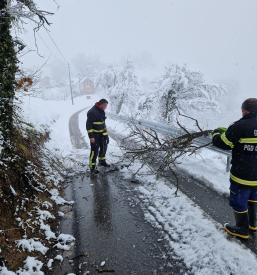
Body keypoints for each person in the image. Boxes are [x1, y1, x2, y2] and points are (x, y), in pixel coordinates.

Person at [212, 98, 257, 239]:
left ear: (244, 110)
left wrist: (216, 133)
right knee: (253, 198)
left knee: (238, 201)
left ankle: (242, 229)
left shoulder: (240, 126)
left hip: (242, 174)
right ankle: (253, 225)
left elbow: (222, 142)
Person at [86, 99, 110, 174]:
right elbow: (88, 126)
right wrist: (91, 137)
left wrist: (106, 136)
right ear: (101, 104)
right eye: (105, 106)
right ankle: (92, 167)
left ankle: (102, 161)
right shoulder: (92, 112)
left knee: (104, 148)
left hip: (102, 135)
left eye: (106, 106)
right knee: (94, 151)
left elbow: (103, 124)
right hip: (95, 136)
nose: (106, 107)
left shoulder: (101, 111)